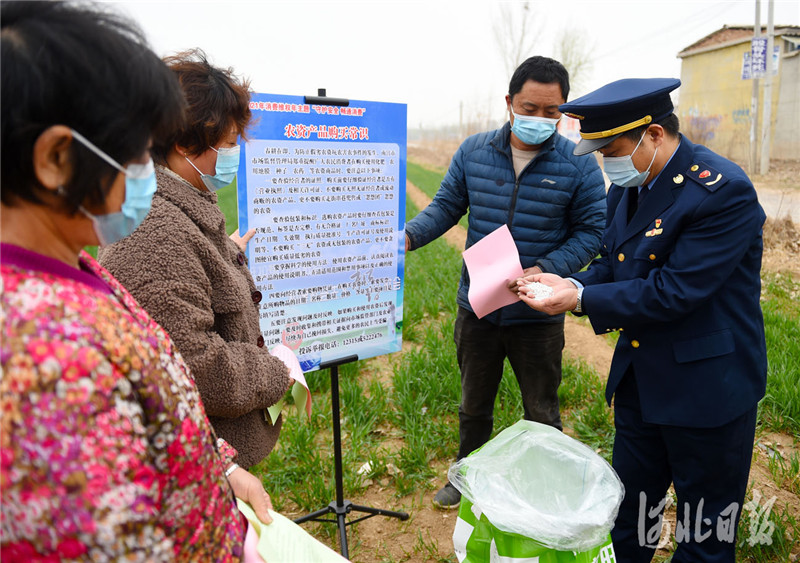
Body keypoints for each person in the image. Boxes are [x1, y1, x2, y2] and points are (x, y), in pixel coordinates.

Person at [0, 2, 280, 559]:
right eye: (133, 144)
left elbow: (156, 406)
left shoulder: (74, 269)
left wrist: (218, 468)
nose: (145, 163)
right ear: (57, 157)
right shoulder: (47, 354)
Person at [517, 78, 767, 562]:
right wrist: (566, 281)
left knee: (705, 532)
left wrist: (581, 300)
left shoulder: (721, 192)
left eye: (611, 149)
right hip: (641, 383)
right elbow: (618, 263)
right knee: (630, 514)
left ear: (653, 134)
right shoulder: (630, 187)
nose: (604, 161)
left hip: (706, 389)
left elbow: (674, 292)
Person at [404, 56, 607, 509]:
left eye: (552, 112)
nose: (540, 119)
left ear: (564, 112)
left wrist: (549, 268)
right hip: (478, 307)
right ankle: (466, 474)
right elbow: (445, 206)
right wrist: (410, 236)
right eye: (530, 108)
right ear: (510, 103)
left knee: (541, 409)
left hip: (536, 312)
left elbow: (593, 231)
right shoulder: (474, 152)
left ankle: (548, 484)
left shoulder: (579, 166)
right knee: (474, 404)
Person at [99, 49, 291, 469]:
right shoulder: (154, 232)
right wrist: (276, 371)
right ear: (185, 143)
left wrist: (226, 257)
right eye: (226, 145)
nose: (234, 155)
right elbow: (198, 366)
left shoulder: (180, 203)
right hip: (199, 462)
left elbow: (188, 279)